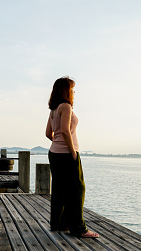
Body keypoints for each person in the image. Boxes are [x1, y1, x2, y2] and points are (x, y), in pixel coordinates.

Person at [45, 76, 99, 238]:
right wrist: (72, 151)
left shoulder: (54, 109)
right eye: (72, 89)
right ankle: (79, 228)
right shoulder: (66, 107)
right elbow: (66, 131)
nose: (73, 92)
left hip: (54, 153)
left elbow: (48, 133)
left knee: (59, 189)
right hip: (67, 153)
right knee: (77, 190)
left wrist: (58, 143)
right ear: (65, 91)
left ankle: (59, 224)